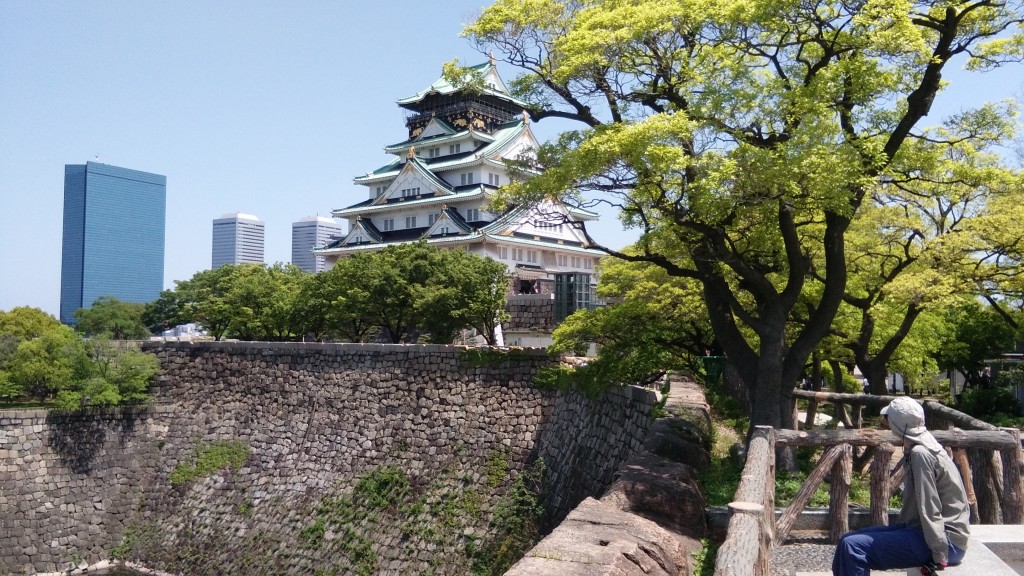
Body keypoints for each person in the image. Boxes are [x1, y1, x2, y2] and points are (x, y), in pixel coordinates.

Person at [832, 397, 970, 576]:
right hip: (926, 533)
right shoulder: (923, 447)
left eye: (889, 418)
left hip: (946, 542)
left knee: (854, 547)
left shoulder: (921, 454)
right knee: (846, 540)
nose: (887, 422)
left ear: (897, 424)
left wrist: (939, 553)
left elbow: (929, 506)